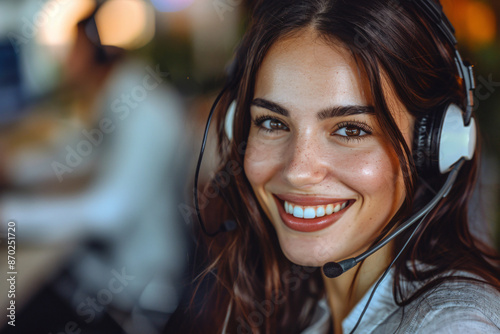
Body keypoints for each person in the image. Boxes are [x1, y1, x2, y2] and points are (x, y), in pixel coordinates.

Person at [165, 0, 500, 333]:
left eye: (351, 130)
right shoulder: (307, 305)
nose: (298, 171)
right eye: (271, 123)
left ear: (436, 145)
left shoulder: (455, 325)